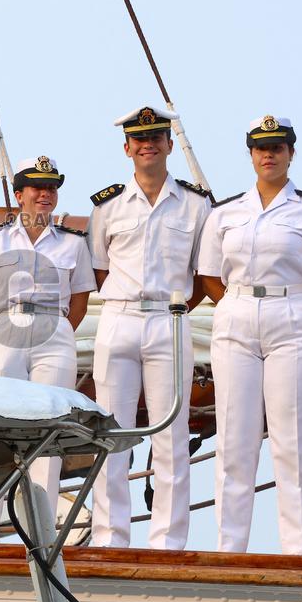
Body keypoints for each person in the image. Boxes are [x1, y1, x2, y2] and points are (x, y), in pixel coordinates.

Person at [198, 115, 302, 555]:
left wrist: (301, 313)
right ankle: (229, 550)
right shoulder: (226, 212)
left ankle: (297, 553)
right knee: (235, 438)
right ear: (251, 155)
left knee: (292, 439)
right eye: (261, 148)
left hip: (294, 313)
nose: (269, 154)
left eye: (278, 147)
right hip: (236, 313)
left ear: (291, 154)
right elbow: (207, 275)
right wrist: (241, 308)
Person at [88, 106, 210, 550]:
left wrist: (173, 307)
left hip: (169, 321)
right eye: (140, 139)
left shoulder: (196, 205)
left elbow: (204, 273)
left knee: (171, 437)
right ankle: (109, 538)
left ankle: (168, 542)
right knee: (112, 433)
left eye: (156, 137)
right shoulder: (108, 205)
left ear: (169, 145)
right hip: (118, 318)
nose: (148, 145)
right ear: (127, 148)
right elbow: (98, 269)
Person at [0, 157, 95, 542]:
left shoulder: (74, 244)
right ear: (19, 195)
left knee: (50, 429)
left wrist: (55, 330)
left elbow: (79, 301)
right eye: (37, 188)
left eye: (52, 188)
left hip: (54, 330)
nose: (45, 194)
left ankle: (43, 535)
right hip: (8, 325)